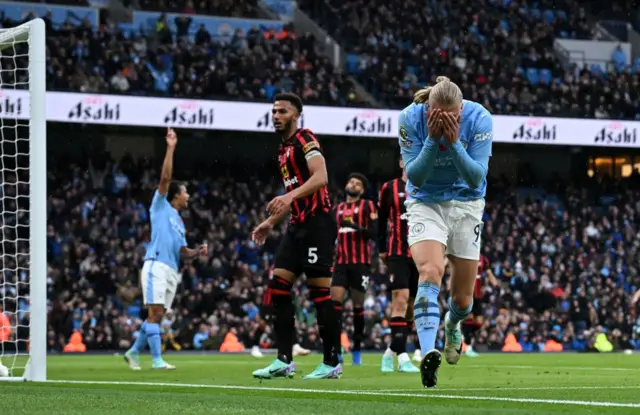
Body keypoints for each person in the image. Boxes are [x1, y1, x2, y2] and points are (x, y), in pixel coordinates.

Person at [398, 76, 493, 388]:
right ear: (427, 108)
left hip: (467, 204)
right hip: (426, 202)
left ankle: (453, 325)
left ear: (461, 111)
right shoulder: (409, 118)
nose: (440, 120)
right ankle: (428, 353)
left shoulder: (479, 119)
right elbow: (417, 177)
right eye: (434, 115)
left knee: (464, 300)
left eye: (450, 117)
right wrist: (431, 140)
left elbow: (475, 178)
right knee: (429, 271)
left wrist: (452, 143)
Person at [251, 93, 341, 380]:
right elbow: (294, 196)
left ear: (296, 115)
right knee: (277, 287)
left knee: (319, 294)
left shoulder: (305, 139)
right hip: (296, 225)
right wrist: (269, 222)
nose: (276, 115)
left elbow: (321, 177)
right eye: (274, 111)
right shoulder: (282, 151)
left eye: (282, 111)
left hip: (318, 223)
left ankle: (331, 362)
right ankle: (284, 360)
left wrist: (288, 196)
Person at [124, 128, 207, 370]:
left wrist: (196, 252)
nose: (188, 195)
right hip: (156, 265)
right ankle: (157, 360)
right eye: (185, 192)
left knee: (157, 317)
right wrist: (171, 148)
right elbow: (165, 179)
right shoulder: (159, 206)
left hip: (172, 269)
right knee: (155, 314)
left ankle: (133, 352)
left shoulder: (180, 222)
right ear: (176, 196)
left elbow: (182, 252)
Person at [377, 158, 420, 373]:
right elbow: (381, 219)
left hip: (420, 254)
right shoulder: (389, 188)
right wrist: (381, 249)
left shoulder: (426, 186)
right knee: (400, 301)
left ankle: (390, 351)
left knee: (412, 307)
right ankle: (403, 357)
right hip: (398, 253)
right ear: (401, 162)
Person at [331, 173, 378, 366]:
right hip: (341, 262)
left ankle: (357, 349)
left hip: (360, 263)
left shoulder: (368, 206)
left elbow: (374, 232)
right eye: (351, 182)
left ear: (362, 190)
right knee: (334, 305)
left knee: (358, 308)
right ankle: (335, 349)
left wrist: (355, 226)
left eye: (358, 184)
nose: (354, 185)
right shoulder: (337, 209)